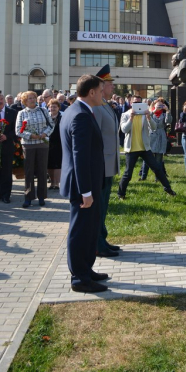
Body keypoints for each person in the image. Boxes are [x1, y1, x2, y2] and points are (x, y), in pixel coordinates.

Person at [59, 74, 109, 293]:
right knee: (80, 231)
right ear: (91, 92)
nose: (103, 94)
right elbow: (79, 156)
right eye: (101, 90)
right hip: (82, 186)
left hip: (86, 184)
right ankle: (80, 279)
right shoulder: (80, 115)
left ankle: (86, 270)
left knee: (89, 230)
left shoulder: (76, 110)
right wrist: (86, 192)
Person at [118, 96, 176, 198]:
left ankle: (168, 188)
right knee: (128, 173)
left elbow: (154, 127)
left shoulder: (145, 114)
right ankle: (121, 194)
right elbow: (124, 130)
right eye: (135, 103)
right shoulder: (125, 115)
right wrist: (131, 118)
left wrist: (149, 117)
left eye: (139, 103)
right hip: (131, 149)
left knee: (157, 169)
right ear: (131, 103)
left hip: (145, 148)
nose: (137, 105)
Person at [93, 64, 121, 258]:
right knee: (99, 206)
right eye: (110, 83)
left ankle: (102, 239)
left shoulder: (105, 105)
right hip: (102, 164)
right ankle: (97, 244)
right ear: (101, 86)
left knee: (104, 205)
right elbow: (95, 138)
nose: (113, 86)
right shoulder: (97, 107)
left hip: (109, 164)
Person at [16, 91, 54, 208]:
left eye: (34, 97)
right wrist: (30, 135)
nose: (33, 100)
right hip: (28, 145)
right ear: (25, 101)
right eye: (30, 98)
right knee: (29, 171)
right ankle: (28, 197)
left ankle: (42, 196)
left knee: (42, 170)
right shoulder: (22, 113)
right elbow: (18, 130)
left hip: (42, 143)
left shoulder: (43, 111)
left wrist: (44, 134)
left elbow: (51, 125)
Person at [140, 98, 172, 180]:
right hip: (151, 136)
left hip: (161, 137)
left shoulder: (164, 114)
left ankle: (157, 177)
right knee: (147, 158)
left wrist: (167, 111)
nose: (160, 107)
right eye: (158, 105)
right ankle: (143, 176)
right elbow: (146, 119)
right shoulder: (151, 113)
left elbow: (168, 121)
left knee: (158, 159)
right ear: (154, 105)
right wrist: (154, 111)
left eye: (161, 105)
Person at [0, 93, 17, 203]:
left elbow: (16, 130)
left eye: (1, 98)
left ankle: (6, 195)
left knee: (6, 171)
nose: (0, 101)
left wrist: (7, 136)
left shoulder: (12, 112)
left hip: (7, 146)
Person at [47, 99, 63, 190]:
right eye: (51, 106)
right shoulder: (46, 116)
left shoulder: (62, 116)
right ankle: (52, 182)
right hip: (48, 142)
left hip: (59, 142)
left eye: (54, 107)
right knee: (49, 163)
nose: (52, 108)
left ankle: (57, 183)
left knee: (57, 163)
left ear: (58, 108)